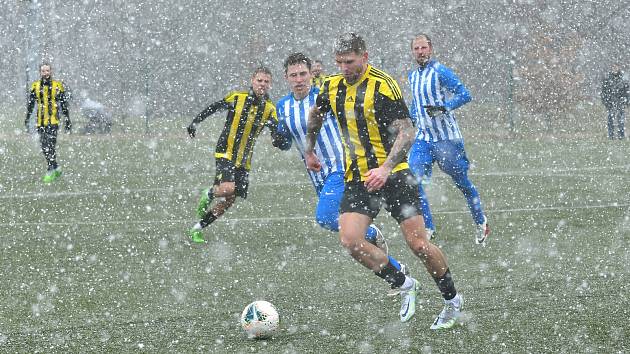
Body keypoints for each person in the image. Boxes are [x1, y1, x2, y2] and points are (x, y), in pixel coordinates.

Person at [305, 33, 462, 329]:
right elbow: (316, 114)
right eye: (339, 62)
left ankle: (452, 300)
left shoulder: (383, 85)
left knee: (419, 244)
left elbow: (407, 132)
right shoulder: (332, 86)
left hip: (396, 175)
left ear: (365, 57)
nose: (344, 68)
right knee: (351, 241)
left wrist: (386, 168)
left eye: (349, 62)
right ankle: (404, 283)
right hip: (358, 176)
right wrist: (310, 149)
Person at [275, 52, 410, 291]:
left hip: (340, 167)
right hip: (316, 174)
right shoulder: (283, 106)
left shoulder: (325, 94)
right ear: (286, 78)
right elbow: (286, 139)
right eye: (293, 75)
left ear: (311, 74)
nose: (299, 79)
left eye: (303, 74)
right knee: (336, 227)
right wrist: (278, 137)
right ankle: (397, 270)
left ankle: (371, 233)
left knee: (327, 218)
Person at [186, 66, 289, 243]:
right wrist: (195, 122)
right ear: (252, 81)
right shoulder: (237, 98)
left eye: (266, 81)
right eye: (259, 80)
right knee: (227, 188)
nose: (262, 84)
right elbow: (214, 107)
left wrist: (278, 140)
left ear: (270, 84)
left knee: (229, 200)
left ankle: (197, 228)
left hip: (244, 159)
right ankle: (209, 193)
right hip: (225, 152)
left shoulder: (270, 109)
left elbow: (275, 131)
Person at [407, 33, 489, 245]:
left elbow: (464, 94)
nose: (420, 52)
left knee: (462, 183)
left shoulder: (440, 71)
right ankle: (428, 227)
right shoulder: (413, 76)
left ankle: (481, 222)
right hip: (423, 140)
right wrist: (411, 118)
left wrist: (444, 108)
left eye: (423, 48)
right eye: (416, 49)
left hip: (447, 140)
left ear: (431, 49)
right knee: (416, 183)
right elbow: (416, 103)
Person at [25, 62, 72, 183]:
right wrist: (27, 118)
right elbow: (31, 104)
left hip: (53, 121)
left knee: (50, 145)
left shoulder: (57, 85)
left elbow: (64, 105)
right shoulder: (35, 86)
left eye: (47, 71)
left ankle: (51, 169)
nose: (46, 73)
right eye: (43, 71)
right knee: (44, 146)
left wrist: (67, 120)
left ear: (51, 71)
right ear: (40, 72)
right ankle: (56, 167)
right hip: (40, 122)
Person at [601, 64, 629, 139]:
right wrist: (606, 102)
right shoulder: (607, 79)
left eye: (616, 67)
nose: (615, 68)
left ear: (619, 68)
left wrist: (626, 102)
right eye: (613, 67)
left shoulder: (623, 79)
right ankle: (611, 136)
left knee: (621, 121)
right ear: (611, 68)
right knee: (610, 120)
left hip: (620, 103)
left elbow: (627, 92)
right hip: (610, 103)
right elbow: (604, 92)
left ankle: (621, 136)